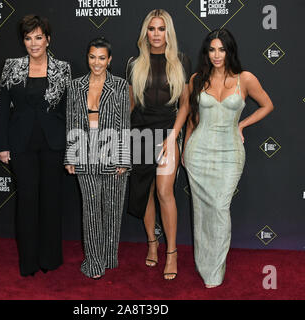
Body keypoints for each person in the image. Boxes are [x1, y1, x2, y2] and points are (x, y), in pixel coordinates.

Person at [182, 28, 274, 288]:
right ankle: (205, 267)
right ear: (206, 52)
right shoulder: (197, 79)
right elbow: (192, 118)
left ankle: (215, 268)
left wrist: (242, 125)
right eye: (212, 49)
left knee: (220, 209)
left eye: (221, 49)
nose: (216, 55)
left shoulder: (245, 79)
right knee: (201, 212)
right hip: (199, 151)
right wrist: (184, 150)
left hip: (230, 152)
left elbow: (267, 104)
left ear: (230, 50)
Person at [0, 15, 71, 277]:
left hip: (53, 144)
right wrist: (2, 145)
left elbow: (67, 110)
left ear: (48, 40)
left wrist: (70, 146)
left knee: (51, 202)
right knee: (27, 202)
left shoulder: (62, 68)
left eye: (39, 37)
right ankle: (28, 262)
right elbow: (2, 108)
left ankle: (49, 259)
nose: (33, 43)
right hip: (21, 144)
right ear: (23, 41)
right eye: (28, 38)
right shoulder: (12, 66)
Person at [126, 9, 191, 280]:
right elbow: (130, 106)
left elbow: (186, 104)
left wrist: (174, 135)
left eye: (161, 29)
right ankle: (152, 244)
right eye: (151, 29)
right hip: (140, 134)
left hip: (167, 132)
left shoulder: (180, 61)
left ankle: (172, 252)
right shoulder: (133, 63)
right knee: (146, 190)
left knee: (165, 191)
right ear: (145, 32)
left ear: (168, 32)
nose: (156, 34)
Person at [64, 37, 131, 279]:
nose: (96, 62)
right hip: (85, 150)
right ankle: (94, 263)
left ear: (110, 60)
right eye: (92, 57)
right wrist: (71, 156)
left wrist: (124, 158)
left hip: (113, 150)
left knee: (112, 209)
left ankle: (108, 257)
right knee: (91, 209)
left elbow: (124, 122)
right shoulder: (75, 86)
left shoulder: (121, 86)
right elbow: (72, 120)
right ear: (87, 58)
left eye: (102, 58)